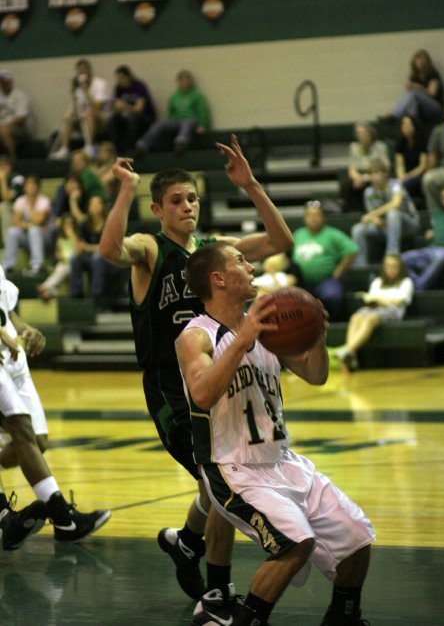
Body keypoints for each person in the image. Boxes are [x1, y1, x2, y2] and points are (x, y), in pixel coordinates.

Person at [99, 135, 294, 607]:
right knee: (220, 479)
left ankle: (189, 543)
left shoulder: (214, 254)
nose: (186, 206)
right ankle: (214, 584)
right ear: (158, 209)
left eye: (192, 199)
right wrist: (124, 189)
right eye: (176, 201)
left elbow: (280, 241)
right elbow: (109, 249)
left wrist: (250, 185)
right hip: (171, 385)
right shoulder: (151, 249)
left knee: (220, 477)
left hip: (216, 377)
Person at [176, 241, 374, 626]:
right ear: (217, 279)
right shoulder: (196, 335)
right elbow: (201, 394)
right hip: (234, 468)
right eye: (240, 261)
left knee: (357, 537)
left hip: (283, 461)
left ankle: (343, 617)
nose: (251, 267)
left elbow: (316, 376)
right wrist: (244, 339)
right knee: (294, 543)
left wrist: (315, 336)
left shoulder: (267, 329)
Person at [0, 264, 111, 542]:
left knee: (37, 441)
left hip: (14, 359)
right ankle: (64, 518)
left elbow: (7, 310)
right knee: (22, 430)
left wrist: (26, 329)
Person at [333, 254, 414, 371]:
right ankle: (351, 354)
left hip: (392, 311)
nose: (391, 269)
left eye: (394, 266)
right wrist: (375, 299)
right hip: (374, 308)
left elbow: (400, 301)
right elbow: (371, 298)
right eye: (388, 266)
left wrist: (381, 300)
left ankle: (348, 349)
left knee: (370, 318)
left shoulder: (406, 282)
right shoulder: (378, 281)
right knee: (356, 317)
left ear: (400, 268)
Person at [290, 201, 358, 321]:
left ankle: (328, 322)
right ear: (305, 218)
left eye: (317, 215)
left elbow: (352, 250)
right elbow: (285, 255)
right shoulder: (298, 235)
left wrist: (339, 270)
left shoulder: (332, 234)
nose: (313, 218)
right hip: (300, 282)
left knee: (332, 296)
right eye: (310, 215)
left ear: (323, 217)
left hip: (326, 281)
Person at [351, 158, 420, 266]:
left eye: (377, 172)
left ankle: (391, 256)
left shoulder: (395, 185)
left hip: (408, 225)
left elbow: (395, 204)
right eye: (371, 173)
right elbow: (372, 216)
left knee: (393, 214)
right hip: (385, 226)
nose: (374, 177)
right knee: (357, 229)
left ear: (385, 174)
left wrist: (373, 215)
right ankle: (361, 267)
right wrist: (374, 218)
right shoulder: (368, 192)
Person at [135, 70, 210, 156]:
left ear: (190, 81)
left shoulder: (197, 96)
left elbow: (202, 111)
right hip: (176, 120)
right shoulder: (174, 97)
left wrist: (203, 125)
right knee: (159, 124)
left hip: (190, 120)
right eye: (182, 80)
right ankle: (142, 146)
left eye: (186, 79)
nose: (184, 82)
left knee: (187, 123)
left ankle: (180, 143)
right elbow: (170, 113)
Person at [49, 60, 111, 161]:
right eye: (79, 71)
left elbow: (98, 107)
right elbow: (76, 107)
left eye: (83, 70)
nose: (81, 73)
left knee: (88, 112)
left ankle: (89, 146)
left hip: (102, 119)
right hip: (83, 119)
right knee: (68, 114)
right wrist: (74, 92)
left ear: (89, 71)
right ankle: (64, 148)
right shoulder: (78, 89)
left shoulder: (100, 84)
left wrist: (86, 91)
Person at [70, 195, 125, 299]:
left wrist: (87, 247)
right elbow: (79, 244)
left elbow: (108, 247)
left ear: (103, 206)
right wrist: (80, 247)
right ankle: (77, 294)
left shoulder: (110, 223)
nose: (94, 206)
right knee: (74, 258)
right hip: (90, 258)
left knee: (97, 257)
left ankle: (96, 295)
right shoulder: (85, 224)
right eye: (92, 204)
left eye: (97, 203)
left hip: (110, 260)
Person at [380, 49, 444, 130]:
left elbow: (432, 93)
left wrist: (416, 86)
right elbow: (411, 98)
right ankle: (414, 122)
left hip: (436, 107)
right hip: (422, 109)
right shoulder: (414, 76)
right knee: (412, 100)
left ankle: (394, 115)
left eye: (422, 61)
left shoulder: (433, 74)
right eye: (418, 61)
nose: (420, 63)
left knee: (413, 93)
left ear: (427, 62)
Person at [1, 174, 51, 277]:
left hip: (44, 238)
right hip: (26, 236)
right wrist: (28, 225)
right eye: (28, 185)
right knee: (12, 231)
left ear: (38, 187)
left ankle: (37, 266)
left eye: (33, 185)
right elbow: (16, 221)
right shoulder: (20, 200)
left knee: (34, 230)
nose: (30, 187)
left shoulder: (44, 201)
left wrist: (29, 204)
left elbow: (38, 221)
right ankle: (6, 266)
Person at [401, 186, 444, 290]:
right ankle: (417, 282)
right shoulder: (438, 213)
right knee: (402, 259)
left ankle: (419, 287)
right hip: (432, 249)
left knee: (440, 256)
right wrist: (434, 232)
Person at [340, 122, 390, 212]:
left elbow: (386, 167)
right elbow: (352, 169)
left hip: (377, 174)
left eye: (364, 133)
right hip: (360, 176)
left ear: (371, 133)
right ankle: (351, 212)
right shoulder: (353, 147)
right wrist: (357, 178)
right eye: (359, 133)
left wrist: (367, 178)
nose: (362, 136)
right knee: (347, 186)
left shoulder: (380, 147)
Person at [108, 65, 156, 154]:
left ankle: (129, 149)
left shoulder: (139, 86)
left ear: (128, 77)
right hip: (126, 116)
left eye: (121, 78)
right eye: (118, 78)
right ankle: (117, 150)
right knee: (113, 120)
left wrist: (125, 106)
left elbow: (139, 108)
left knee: (132, 119)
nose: (120, 80)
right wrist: (116, 107)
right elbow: (114, 105)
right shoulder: (119, 88)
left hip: (145, 117)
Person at [38, 213, 78, 300]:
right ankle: (49, 292)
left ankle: (45, 286)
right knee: (59, 270)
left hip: (74, 264)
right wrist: (60, 256)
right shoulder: (60, 238)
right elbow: (58, 253)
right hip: (63, 262)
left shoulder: (76, 237)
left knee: (61, 270)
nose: (68, 226)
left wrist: (72, 236)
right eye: (66, 224)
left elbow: (78, 249)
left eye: (70, 223)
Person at [394, 114, 427, 205]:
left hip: (419, 175)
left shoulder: (422, 142)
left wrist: (407, 177)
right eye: (404, 125)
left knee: (406, 185)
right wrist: (401, 177)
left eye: (409, 124)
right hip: (405, 176)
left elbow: (422, 166)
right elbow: (400, 165)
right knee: (396, 184)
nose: (406, 127)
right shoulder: (400, 144)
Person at [422, 107, 444, 211]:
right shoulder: (438, 131)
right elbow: (432, 156)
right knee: (428, 179)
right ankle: (436, 215)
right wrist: (430, 171)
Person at [0, 70, 32, 162]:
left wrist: (6, 126)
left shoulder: (20, 95)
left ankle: (13, 158)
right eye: (2, 82)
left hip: (19, 128)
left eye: (7, 81)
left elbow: (21, 118)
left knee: (3, 130)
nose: (5, 84)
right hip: (2, 127)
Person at [0, 154, 24, 246]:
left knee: (4, 207)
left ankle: (8, 244)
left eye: (4, 165)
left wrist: (3, 180)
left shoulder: (17, 178)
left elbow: (7, 198)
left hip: (18, 211)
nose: (2, 168)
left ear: (10, 166)